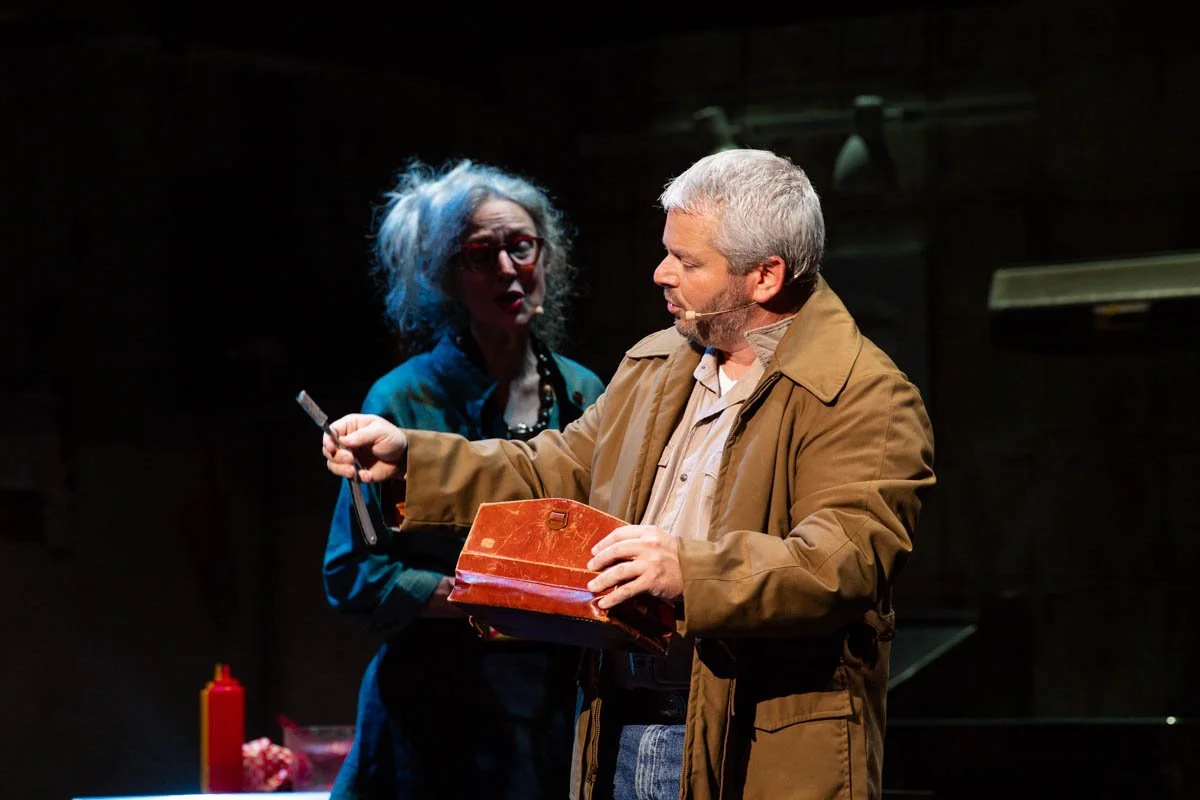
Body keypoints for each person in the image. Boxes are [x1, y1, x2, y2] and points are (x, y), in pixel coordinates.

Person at [320, 149, 936, 800]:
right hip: (620, 723)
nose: (660, 273)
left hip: (753, 738)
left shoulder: (865, 398)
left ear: (765, 276)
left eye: (687, 261)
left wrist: (687, 572)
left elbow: (840, 564)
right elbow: (558, 466)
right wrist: (412, 457)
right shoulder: (658, 363)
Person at [321, 157, 607, 799]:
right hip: (436, 712)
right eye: (482, 255)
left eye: (522, 247)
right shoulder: (403, 400)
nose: (509, 269)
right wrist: (473, 595)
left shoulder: (583, 392)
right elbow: (352, 571)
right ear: (447, 277)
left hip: (555, 702)